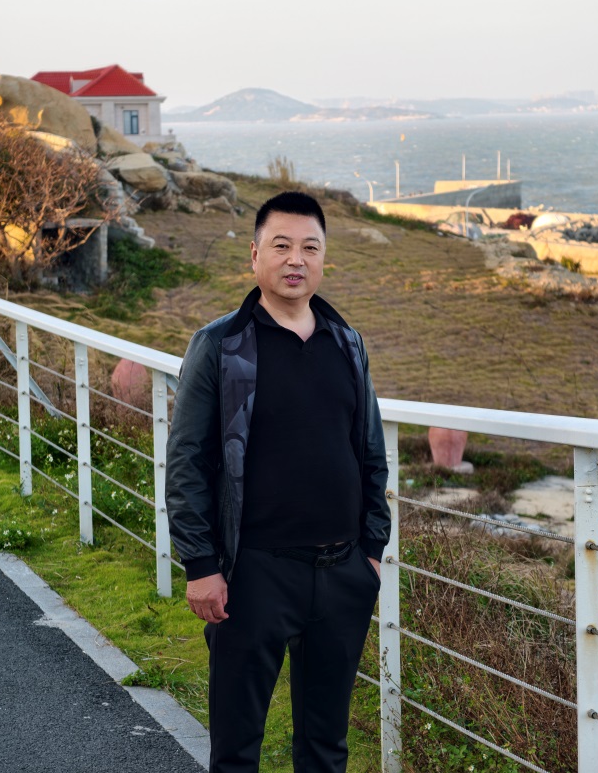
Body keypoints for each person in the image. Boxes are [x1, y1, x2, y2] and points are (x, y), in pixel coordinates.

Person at [166, 191, 390, 773]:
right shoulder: (220, 346)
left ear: (323, 258)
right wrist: (201, 565)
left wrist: (370, 552)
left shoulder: (347, 343)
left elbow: (370, 452)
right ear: (255, 255)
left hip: (342, 573)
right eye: (282, 245)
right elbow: (187, 460)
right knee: (237, 750)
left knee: (326, 749)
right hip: (253, 574)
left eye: (310, 248)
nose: (296, 259)